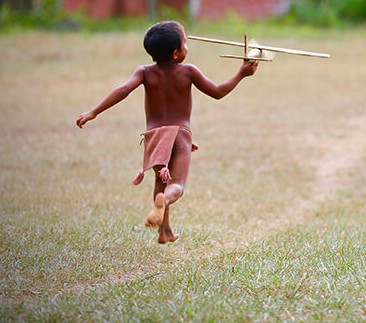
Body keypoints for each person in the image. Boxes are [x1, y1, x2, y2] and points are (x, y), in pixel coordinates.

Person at [76, 21, 258, 244]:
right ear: (176, 53)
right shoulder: (189, 71)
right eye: (185, 43)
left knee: (160, 183)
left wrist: (94, 111)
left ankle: (164, 231)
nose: (187, 46)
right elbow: (218, 92)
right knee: (176, 186)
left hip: (153, 135)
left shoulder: (143, 72)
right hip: (179, 133)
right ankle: (165, 201)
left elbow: (123, 91)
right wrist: (241, 73)